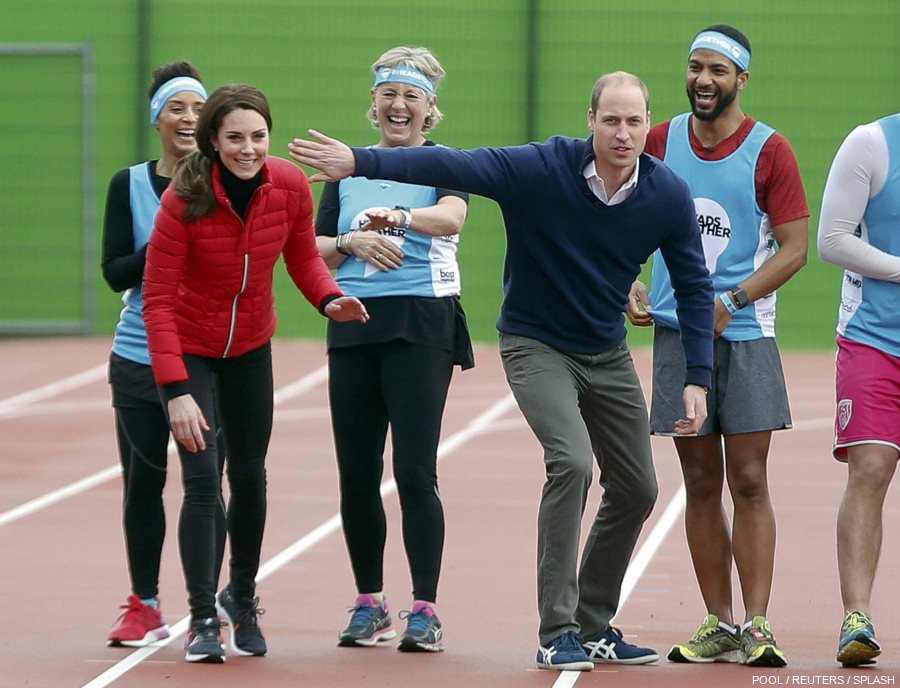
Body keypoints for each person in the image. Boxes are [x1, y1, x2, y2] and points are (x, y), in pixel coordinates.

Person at [290, 70, 713, 672]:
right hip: (535, 343)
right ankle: (557, 630)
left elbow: (695, 285)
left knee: (638, 486)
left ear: (650, 126)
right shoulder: (543, 168)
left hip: (607, 350)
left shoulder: (666, 194)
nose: (623, 133)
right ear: (590, 121)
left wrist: (698, 376)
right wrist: (357, 161)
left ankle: (594, 623)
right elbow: (459, 167)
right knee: (570, 462)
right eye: (611, 120)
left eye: (635, 121)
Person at [142, 83, 369, 663]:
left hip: (250, 348)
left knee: (250, 476)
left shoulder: (287, 185)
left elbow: (300, 257)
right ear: (214, 142)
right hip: (191, 351)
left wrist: (330, 299)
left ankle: (240, 597)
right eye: (236, 138)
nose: (249, 149)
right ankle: (200, 620)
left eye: (258, 137)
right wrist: (175, 391)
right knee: (200, 479)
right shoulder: (183, 199)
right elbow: (158, 300)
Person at [627, 25, 808, 667]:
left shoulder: (770, 151)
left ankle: (757, 625)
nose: (704, 80)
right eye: (695, 67)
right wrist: (631, 282)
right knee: (699, 481)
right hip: (679, 336)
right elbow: (627, 216)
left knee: (750, 479)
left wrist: (733, 301)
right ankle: (717, 622)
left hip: (747, 334)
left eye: (718, 71)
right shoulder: (658, 142)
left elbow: (795, 249)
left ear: (741, 80)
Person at [314, 46, 472, 653]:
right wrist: (351, 239)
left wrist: (396, 216)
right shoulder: (346, 171)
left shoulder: (442, 161)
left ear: (429, 108)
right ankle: (369, 602)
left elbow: (453, 218)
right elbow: (314, 246)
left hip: (420, 324)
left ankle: (425, 609)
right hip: (352, 322)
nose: (398, 106)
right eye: (388, 94)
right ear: (374, 103)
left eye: (410, 95)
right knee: (356, 474)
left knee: (412, 471)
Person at [101, 60, 225, 648]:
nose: (187, 117)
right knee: (142, 483)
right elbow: (113, 272)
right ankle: (144, 603)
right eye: (176, 107)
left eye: (198, 108)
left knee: (207, 481)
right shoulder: (128, 185)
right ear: (158, 118)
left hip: (200, 350)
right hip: (136, 353)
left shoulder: (224, 182)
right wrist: (166, 243)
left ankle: (215, 601)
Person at [818, 113, 900, 667]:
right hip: (875, 338)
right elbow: (831, 240)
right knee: (870, 469)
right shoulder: (872, 144)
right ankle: (857, 617)